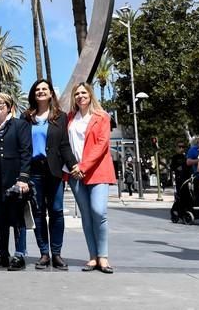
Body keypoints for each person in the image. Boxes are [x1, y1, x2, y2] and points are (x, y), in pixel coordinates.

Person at [22, 79, 78, 271]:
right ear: (33, 94)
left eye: (44, 89)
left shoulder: (60, 117)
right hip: (34, 171)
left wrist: (73, 165)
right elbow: (23, 146)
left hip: (54, 171)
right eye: (37, 89)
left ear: (51, 93)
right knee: (38, 213)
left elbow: (64, 145)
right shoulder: (26, 117)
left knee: (56, 211)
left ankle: (57, 253)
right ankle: (44, 254)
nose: (41, 92)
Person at [67, 82, 115, 274]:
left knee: (98, 212)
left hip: (97, 171)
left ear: (90, 95)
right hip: (75, 174)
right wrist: (74, 167)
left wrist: (83, 166)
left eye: (83, 93)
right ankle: (93, 257)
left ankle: (103, 256)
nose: (80, 96)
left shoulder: (102, 117)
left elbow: (102, 144)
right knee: (86, 216)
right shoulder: (71, 118)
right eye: (77, 93)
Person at [0, 91, 32, 271]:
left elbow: (26, 153)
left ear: (9, 105)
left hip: (14, 179)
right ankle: (3, 254)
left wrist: (23, 178)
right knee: (1, 218)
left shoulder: (20, 125)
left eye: (1, 103)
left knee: (17, 217)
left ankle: (19, 255)